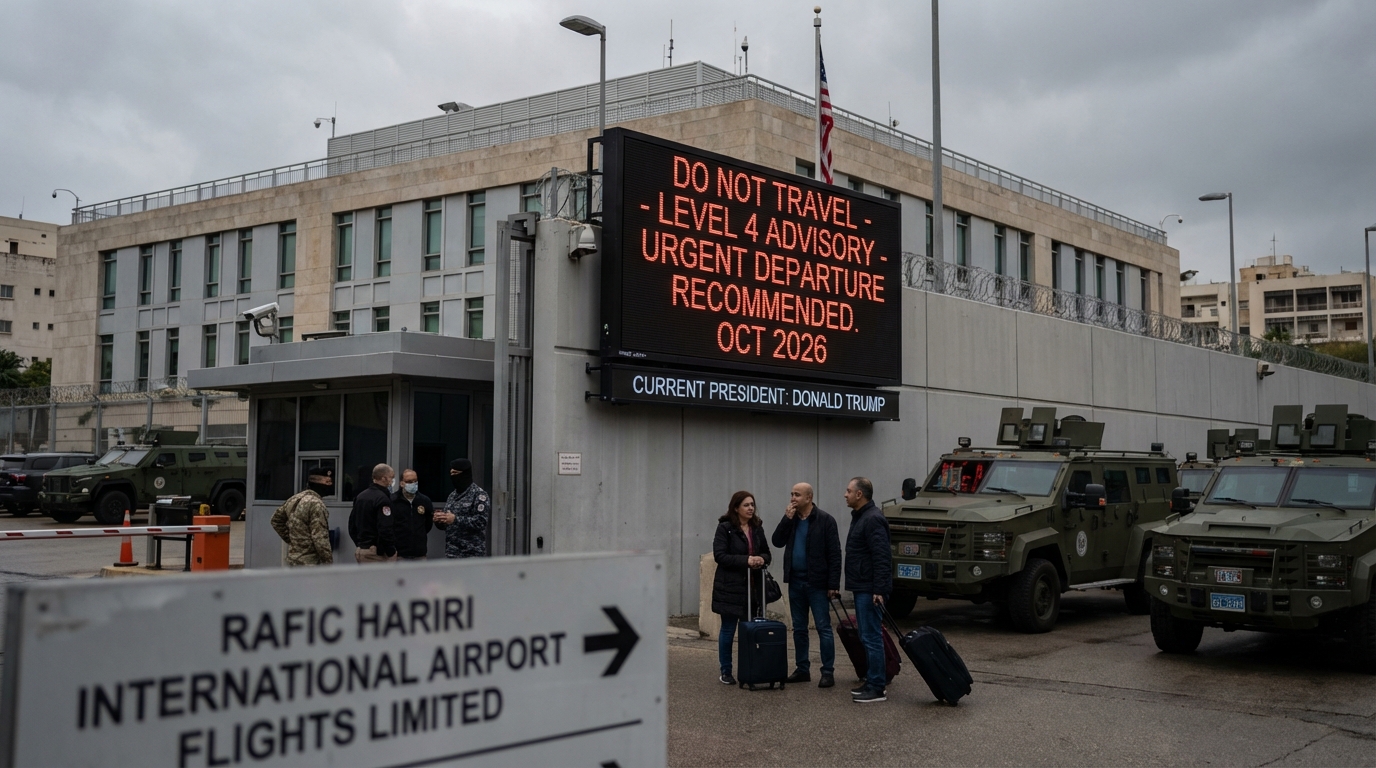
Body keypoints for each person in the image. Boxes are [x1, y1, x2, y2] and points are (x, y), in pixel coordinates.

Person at [770, 482, 841, 688]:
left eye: (797, 495)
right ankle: (802, 669)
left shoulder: (825, 520)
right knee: (799, 628)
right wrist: (786, 519)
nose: (793, 498)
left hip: (817, 583)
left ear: (809, 498)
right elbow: (776, 541)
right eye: (791, 494)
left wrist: (833, 584)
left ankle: (827, 671)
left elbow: (835, 554)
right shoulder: (791, 520)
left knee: (823, 627)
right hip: (795, 580)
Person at [711, 490, 772, 686]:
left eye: (752, 504)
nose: (751, 508)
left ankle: (749, 668)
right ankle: (726, 670)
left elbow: (767, 553)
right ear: (736, 508)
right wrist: (746, 560)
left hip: (752, 588)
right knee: (728, 629)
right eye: (746, 505)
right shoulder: (725, 528)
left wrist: (761, 559)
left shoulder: (757, 528)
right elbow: (720, 556)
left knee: (749, 630)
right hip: (730, 587)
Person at [843, 476, 892, 703]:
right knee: (866, 635)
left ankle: (877, 687)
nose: (845, 494)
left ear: (859, 494)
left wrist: (879, 590)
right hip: (862, 586)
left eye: (848, 491)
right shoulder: (862, 517)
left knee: (871, 637)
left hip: (870, 589)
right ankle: (872, 680)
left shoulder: (872, 519)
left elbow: (882, 556)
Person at [270, 465, 334, 566]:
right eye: (328, 483)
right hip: (310, 564)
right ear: (320, 485)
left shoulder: (294, 499)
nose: (330, 486)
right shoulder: (316, 504)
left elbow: (275, 520)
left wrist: (293, 541)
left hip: (293, 561)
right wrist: (328, 563)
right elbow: (320, 538)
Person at [434, 459, 490, 558]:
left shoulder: (479, 495)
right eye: (451, 473)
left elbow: (481, 522)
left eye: (455, 473)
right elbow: (447, 524)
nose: (452, 476)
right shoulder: (452, 496)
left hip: (471, 554)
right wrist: (440, 520)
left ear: (465, 474)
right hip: (452, 553)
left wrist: (455, 519)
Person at [348, 463, 397, 563]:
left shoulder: (360, 496)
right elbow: (385, 528)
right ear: (384, 478)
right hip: (376, 554)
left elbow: (352, 525)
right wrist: (390, 550)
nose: (392, 481)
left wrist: (360, 544)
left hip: (361, 550)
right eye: (391, 477)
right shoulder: (383, 499)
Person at [391, 468, 434, 561]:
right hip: (399, 554)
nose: (413, 484)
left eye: (415, 481)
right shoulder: (393, 501)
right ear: (402, 483)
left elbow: (428, 524)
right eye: (409, 481)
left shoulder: (424, 500)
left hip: (420, 553)